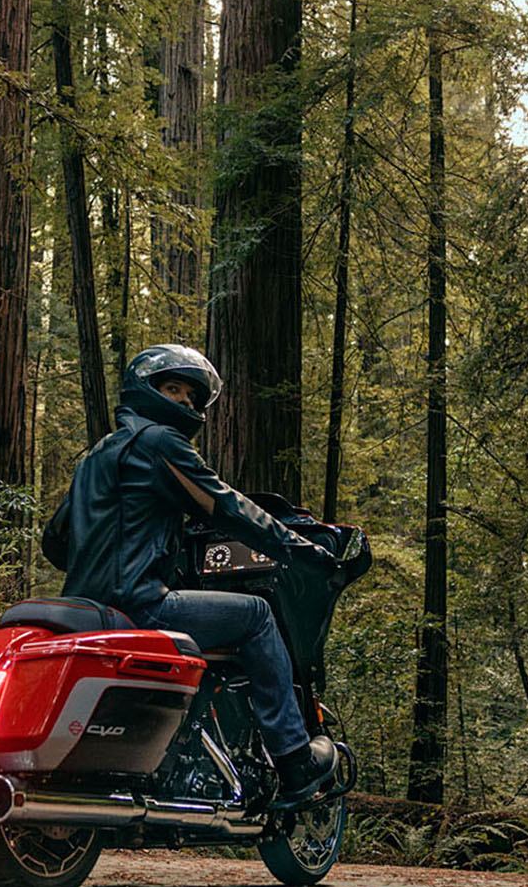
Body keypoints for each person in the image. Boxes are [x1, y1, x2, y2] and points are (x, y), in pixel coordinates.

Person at [41, 344, 339, 808]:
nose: (183, 401)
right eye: (172, 388)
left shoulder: (98, 455)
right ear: (147, 391)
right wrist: (303, 549)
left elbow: (55, 538)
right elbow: (226, 506)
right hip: (140, 604)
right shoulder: (160, 442)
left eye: (190, 395)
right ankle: (294, 759)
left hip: (89, 607)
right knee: (258, 616)